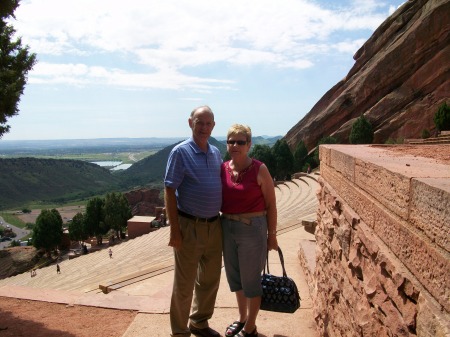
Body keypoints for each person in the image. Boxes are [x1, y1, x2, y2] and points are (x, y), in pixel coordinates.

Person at [164, 105, 223, 337]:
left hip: (214, 225)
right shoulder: (180, 152)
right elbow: (169, 190)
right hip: (189, 226)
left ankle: (199, 322)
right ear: (190, 123)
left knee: (210, 280)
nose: (204, 127)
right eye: (200, 122)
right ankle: (179, 332)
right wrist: (174, 230)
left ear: (213, 126)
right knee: (184, 284)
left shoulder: (216, 152)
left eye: (208, 123)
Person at [220, 124, 278, 337]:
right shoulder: (223, 168)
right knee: (235, 278)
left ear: (249, 145)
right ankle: (242, 318)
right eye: (231, 141)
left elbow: (271, 204)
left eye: (240, 142)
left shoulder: (259, 169)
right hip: (227, 226)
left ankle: (250, 327)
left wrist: (272, 236)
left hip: (252, 229)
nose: (235, 145)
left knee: (251, 280)